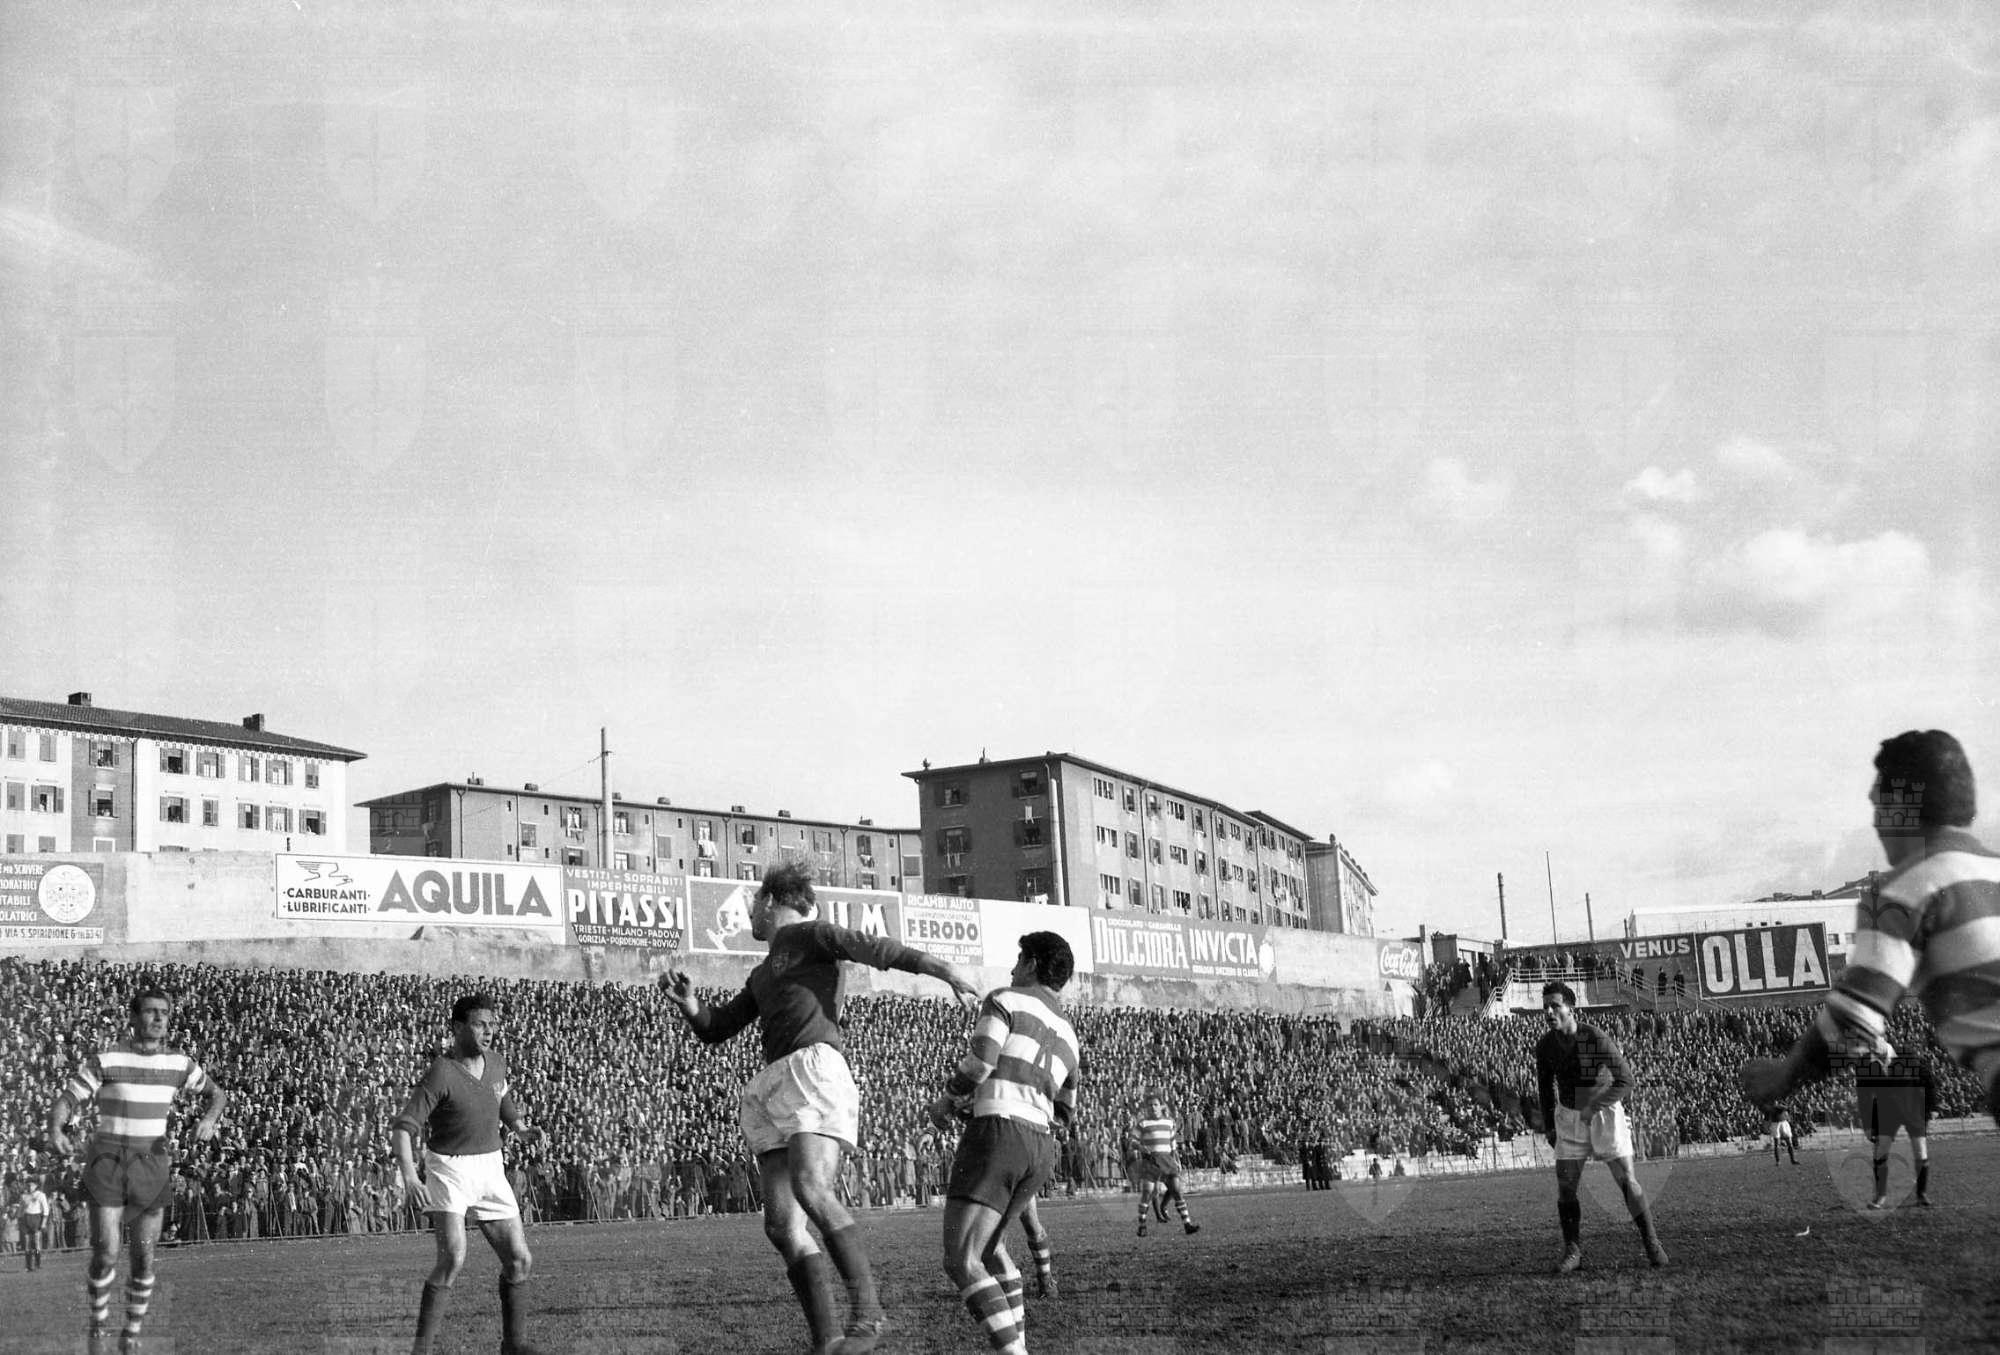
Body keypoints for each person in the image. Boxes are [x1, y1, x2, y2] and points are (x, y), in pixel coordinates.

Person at [662, 859, 981, 1355]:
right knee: (781, 1226)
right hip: (774, 1084)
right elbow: (718, 1028)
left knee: (812, 1188)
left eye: (754, 901)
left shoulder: (811, 935)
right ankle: (827, 1342)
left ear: (770, 901)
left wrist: (943, 970)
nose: (750, 911)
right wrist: (690, 1005)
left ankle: (868, 1313)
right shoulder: (762, 972)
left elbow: (876, 948)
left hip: (812, 1069)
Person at [1743, 732, 2000, 1187]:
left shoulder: (1907, 886)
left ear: (1904, 806)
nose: (1877, 823)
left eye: (1878, 805)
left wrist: (1780, 1077)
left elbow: (1852, 1024)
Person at [46, 985, 228, 1354]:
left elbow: (217, 1094)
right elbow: (67, 1099)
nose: (159, 1018)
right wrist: (55, 1129)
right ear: (133, 1017)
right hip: (108, 1162)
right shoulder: (107, 1059)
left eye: (164, 1012)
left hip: (151, 1165)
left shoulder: (178, 1064)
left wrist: (209, 1120)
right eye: (150, 1011)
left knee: (144, 1257)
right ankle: (98, 1327)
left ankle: (130, 1335)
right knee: (106, 1252)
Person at [926, 931, 1080, 1355]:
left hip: (998, 1135)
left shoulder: (1005, 999)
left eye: (1018, 959)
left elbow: (980, 1063)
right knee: (993, 1249)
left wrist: (948, 1101)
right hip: (1040, 1147)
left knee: (962, 1260)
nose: (1012, 969)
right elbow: (1065, 1111)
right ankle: (1019, 1342)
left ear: (1032, 963)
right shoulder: (1070, 1035)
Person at [391, 992, 547, 1355]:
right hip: (450, 1168)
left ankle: (513, 1346)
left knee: (520, 1260)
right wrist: (411, 1177)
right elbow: (403, 1128)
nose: (489, 1031)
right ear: (457, 1028)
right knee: (452, 1258)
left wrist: (520, 1128)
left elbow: (501, 1096)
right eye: (479, 1025)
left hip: (490, 1166)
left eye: (492, 1025)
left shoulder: (497, 1062)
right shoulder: (442, 1072)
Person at [1534, 981, 1667, 1274]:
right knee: (1566, 1187)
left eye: (1555, 1006)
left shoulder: (1594, 1038)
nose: (1549, 1012)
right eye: (1545, 1007)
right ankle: (1573, 1251)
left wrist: (1593, 1106)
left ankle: (1651, 1242)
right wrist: (1550, 1127)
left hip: (1604, 1113)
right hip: (1569, 1118)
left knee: (1627, 1181)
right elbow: (1544, 1089)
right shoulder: (1545, 1047)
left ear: (1571, 1008)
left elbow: (1626, 1080)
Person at [1856, 1050, 1937, 1209]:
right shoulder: (1867, 1066)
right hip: (1886, 1111)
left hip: (1912, 1108)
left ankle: (1921, 1195)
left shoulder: (1907, 1056)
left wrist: (1932, 1106)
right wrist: (1868, 1125)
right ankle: (1880, 1196)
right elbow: (1864, 1096)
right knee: (1880, 1151)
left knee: (1921, 1151)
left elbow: (1928, 1079)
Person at [1133, 1093, 1199, 1237]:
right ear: (1146, 1108)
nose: (1153, 1107)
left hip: (1167, 1160)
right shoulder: (1142, 1123)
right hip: (1151, 1161)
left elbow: (1173, 1145)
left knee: (1177, 1191)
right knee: (1147, 1193)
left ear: (1161, 1106)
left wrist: (1177, 1160)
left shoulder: (1169, 1123)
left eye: (1155, 1105)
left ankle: (1187, 1224)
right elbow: (1133, 1141)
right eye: (1150, 1105)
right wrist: (1140, 1147)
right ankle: (1142, 1226)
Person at [19, 1176, 50, 1271]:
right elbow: (20, 1210)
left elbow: (46, 1210)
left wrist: (43, 1223)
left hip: (36, 1219)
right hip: (26, 1219)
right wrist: (20, 1221)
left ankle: (37, 1264)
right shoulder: (24, 1196)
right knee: (27, 1243)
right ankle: (28, 1266)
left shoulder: (41, 1195)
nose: (30, 1187)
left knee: (36, 1243)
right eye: (28, 1185)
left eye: (32, 1185)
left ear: (36, 1185)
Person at [1765, 1098, 1800, 1167]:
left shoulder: (1779, 1107)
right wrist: (1766, 1127)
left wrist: (1781, 1105)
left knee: (1789, 1142)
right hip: (1775, 1124)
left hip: (1783, 1122)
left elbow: (1787, 1108)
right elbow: (1767, 1118)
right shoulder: (1771, 1109)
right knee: (1776, 1143)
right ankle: (1778, 1161)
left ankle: (1792, 1159)